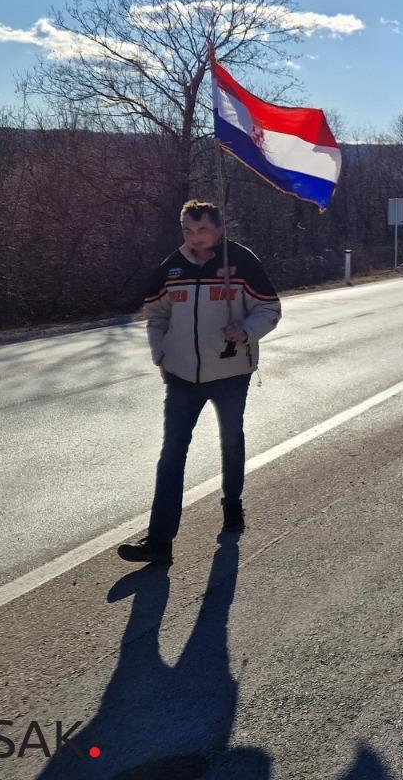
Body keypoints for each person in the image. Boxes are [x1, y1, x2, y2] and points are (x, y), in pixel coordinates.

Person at [118, 200, 281, 566]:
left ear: (219, 229)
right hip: (181, 377)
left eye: (202, 230)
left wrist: (246, 331)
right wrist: (160, 356)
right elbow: (156, 316)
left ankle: (232, 503)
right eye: (188, 231)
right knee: (171, 455)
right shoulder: (170, 268)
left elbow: (270, 309)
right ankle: (160, 542)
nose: (195, 238)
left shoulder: (241, 263)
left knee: (231, 439)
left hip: (230, 374)